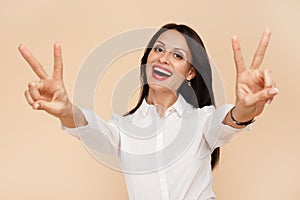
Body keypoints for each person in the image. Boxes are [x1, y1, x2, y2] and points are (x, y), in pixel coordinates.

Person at [19, 23, 278, 199]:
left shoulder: (202, 121)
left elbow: (229, 121)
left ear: (190, 72)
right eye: (159, 49)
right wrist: (66, 110)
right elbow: (92, 130)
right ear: (147, 61)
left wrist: (245, 109)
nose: (163, 58)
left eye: (177, 55)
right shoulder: (123, 129)